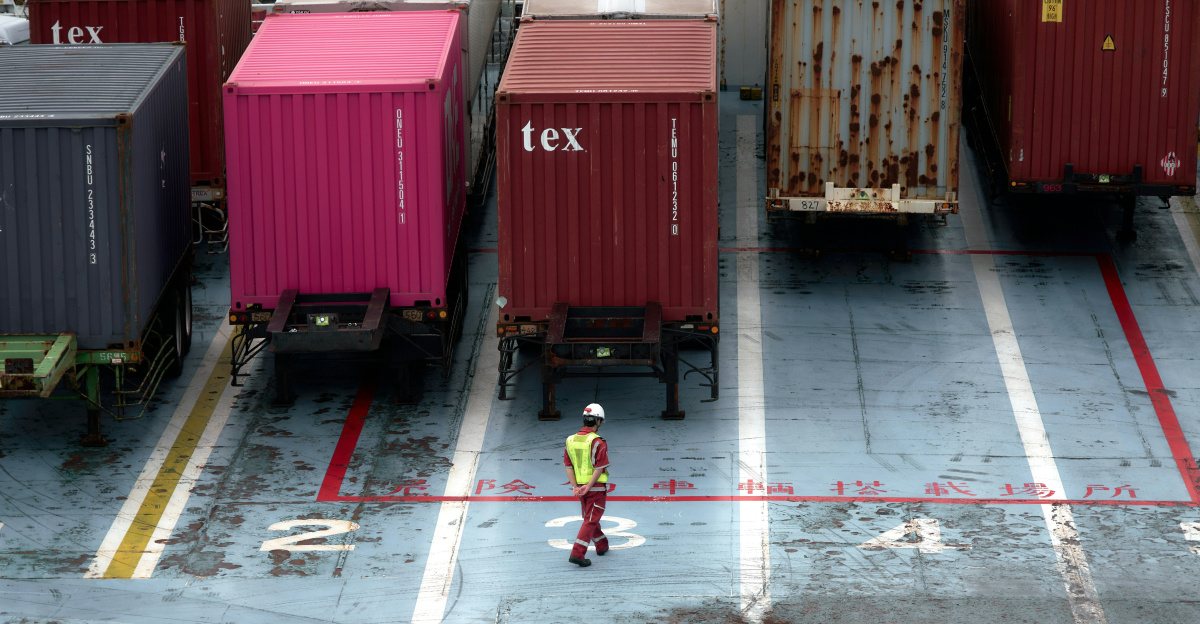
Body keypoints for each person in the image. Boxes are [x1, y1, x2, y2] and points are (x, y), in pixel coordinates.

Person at [563, 403, 610, 567]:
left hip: (580, 489)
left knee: (590, 517)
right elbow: (599, 468)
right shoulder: (598, 442)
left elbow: (568, 467)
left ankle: (602, 544)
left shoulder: (570, 440)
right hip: (594, 489)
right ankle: (577, 553)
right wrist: (589, 486)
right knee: (591, 519)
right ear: (598, 421)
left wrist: (576, 486)